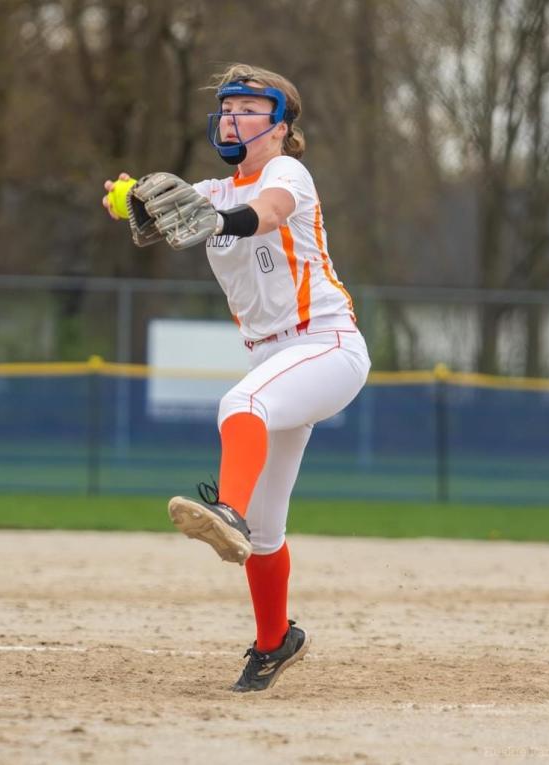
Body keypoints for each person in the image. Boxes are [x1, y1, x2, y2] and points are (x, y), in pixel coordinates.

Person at [102, 63, 371, 693]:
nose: (233, 117)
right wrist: (126, 199)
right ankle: (277, 641)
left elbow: (267, 214)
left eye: (249, 107)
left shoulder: (287, 174)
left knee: (241, 403)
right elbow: (157, 205)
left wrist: (215, 220)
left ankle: (227, 509)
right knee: (269, 531)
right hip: (276, 359)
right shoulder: (210, 194)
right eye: (227, 108)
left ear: (280, 126)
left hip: (327, 345)